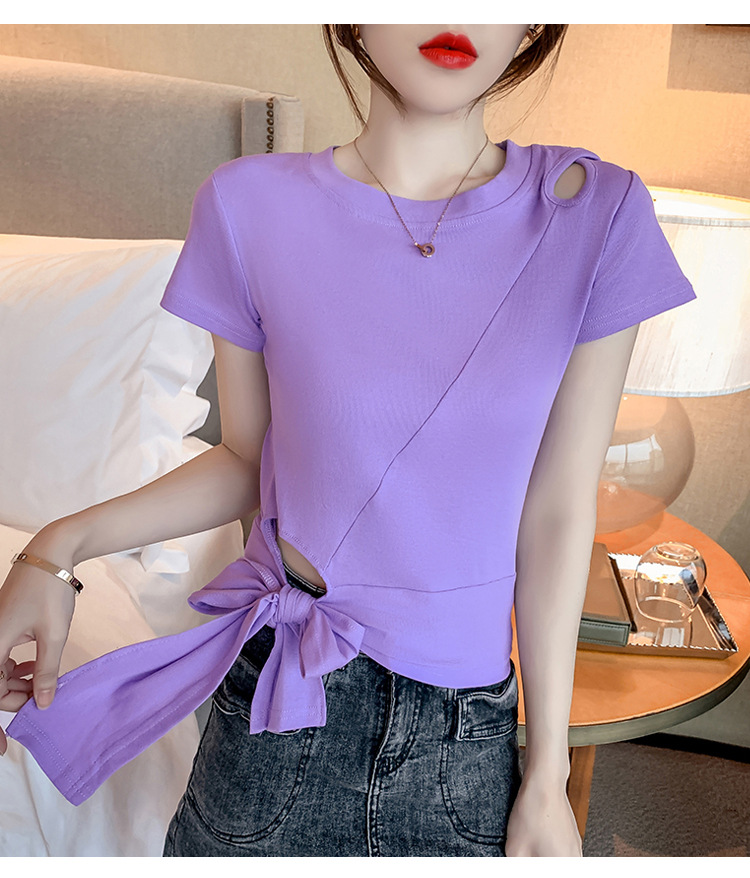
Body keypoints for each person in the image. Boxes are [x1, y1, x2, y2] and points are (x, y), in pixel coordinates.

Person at [0, 25, 696, 857]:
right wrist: (56, 547)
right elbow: (249, 460)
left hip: (462, 743)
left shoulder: (597, 213)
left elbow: (556, 508)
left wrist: (547, 772)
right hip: (276, 718)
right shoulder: (247, 204)